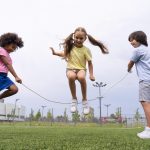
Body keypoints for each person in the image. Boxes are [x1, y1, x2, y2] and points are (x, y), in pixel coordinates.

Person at [50, 27, 108, 115]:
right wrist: (55, 53)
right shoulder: (70, 47)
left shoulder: (86, 50)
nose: (78, 40)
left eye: (81, 38)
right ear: (74, 36)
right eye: (77, 37)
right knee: (71, 76)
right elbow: (64, 54)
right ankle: (74, 99)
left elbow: (90, 63)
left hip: (81, 69)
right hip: (70, 69)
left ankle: (84, 100)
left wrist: (91, 75)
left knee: (81, 77)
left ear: (85, 38)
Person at [128, 31, 150, 139]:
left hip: (145, 80)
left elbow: (130, 63)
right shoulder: (148, 50)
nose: (131, 42)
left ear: (139, 39)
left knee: (145, 103)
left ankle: (149, 130)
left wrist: (128, 69)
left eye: (132, 39)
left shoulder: (137, 50)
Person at [0, 33, 24, 102]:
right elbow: (7, 64)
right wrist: (16, 77)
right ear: (6, 43)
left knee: (14, 89)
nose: (13, 50)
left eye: (15, 49)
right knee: (14, 89)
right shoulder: (1, 50)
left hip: (4, 76)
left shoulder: (7, 55)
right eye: (13, 47)